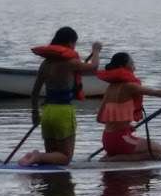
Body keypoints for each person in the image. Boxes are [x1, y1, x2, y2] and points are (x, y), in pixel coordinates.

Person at [19, 27, 101, 166]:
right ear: (70, 43)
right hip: (63, 112)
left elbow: (35, 92)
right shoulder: (70, 63)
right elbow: (94, 67)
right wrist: (96, 50)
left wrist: (34, 113)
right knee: (65, 158)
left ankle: (45, 171)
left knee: (53, 158)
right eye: (75, 43)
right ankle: (37, 156)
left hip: (47, 112)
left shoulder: (45, 64)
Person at [96, 52, 161, 162]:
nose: (134, 67)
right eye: (132, 63)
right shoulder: (130, 86)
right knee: (159, 151)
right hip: (122, 141)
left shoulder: (110, 88)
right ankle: (118, 158)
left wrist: (125, 127)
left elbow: (99, 119)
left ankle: (112, 155)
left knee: (149, 147)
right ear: (122, 67)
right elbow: (157, 92)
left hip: (107, 141)